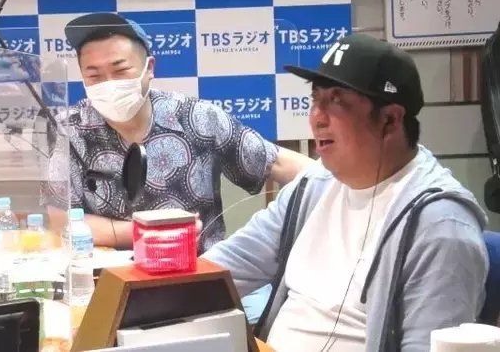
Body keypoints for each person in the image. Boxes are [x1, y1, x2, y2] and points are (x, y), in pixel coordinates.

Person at [202, 34, 490, 351]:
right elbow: (223, 269)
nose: (317, 117)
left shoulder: (441, 226)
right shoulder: (313, 186)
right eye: (316, 99)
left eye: (337, 101)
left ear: (390, 120)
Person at [40, 12, 314, 257]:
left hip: (200, 272)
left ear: (149, 68)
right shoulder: (69, 128)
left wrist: (335, 183)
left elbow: (276, 163)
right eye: (94, 76)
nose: (109, 84)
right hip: (106, 278)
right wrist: (151, 232)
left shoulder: (197, 117)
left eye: (121, 70)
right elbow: (62, 220)